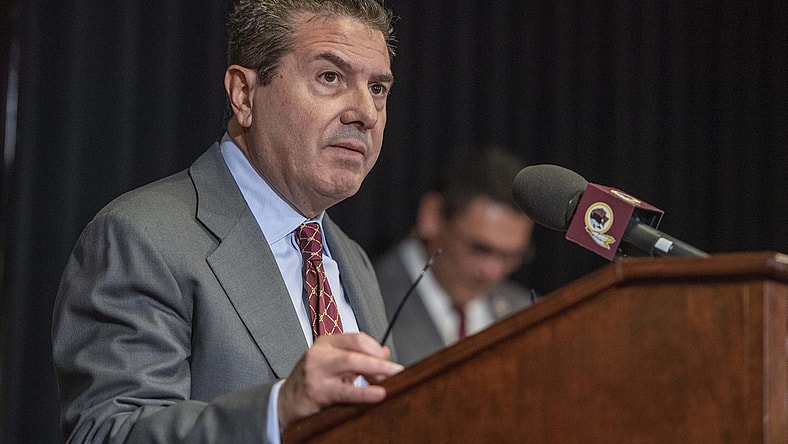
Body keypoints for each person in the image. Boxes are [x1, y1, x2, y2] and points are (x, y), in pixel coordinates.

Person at [51, 1, 402, 442]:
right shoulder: (141, 238)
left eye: (378, 89)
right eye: (330, 77)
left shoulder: (352, 261)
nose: (365, 113)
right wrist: (277, 411)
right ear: (243, 94)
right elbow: (107, 433)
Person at [374, 147, 537, 366]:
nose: (492, 271)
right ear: (431, 216)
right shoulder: (363, 300)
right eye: (479, 248)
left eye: (510, 256)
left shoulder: (529, 315)